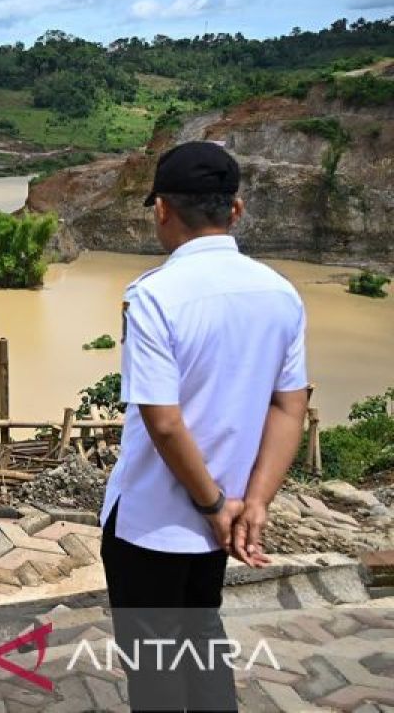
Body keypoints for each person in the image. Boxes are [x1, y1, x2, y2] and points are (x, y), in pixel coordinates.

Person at [99, 141, 309, 712]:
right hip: (229, 520)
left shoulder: (153, 296)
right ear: (235, 210)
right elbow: (290, 408)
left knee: (156, 672)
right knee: (201, 639)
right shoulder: (282, 294)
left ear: (162, 210)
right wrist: (253, 503)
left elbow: (164, 423)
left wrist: (213, 504)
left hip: (153, 523)